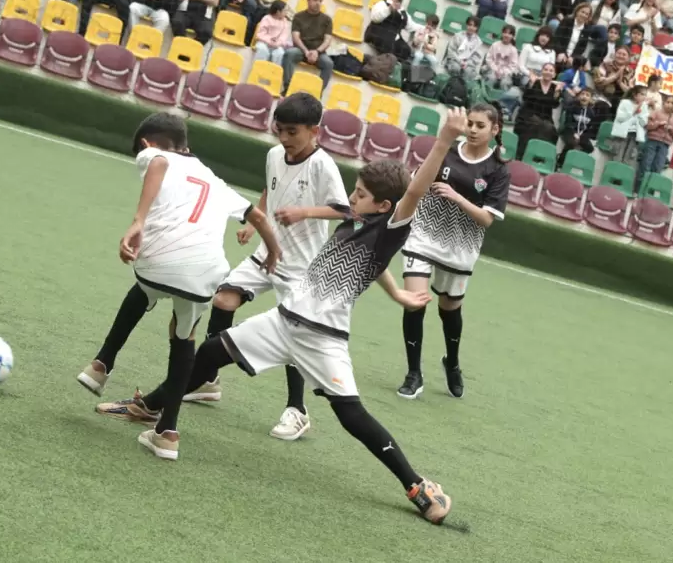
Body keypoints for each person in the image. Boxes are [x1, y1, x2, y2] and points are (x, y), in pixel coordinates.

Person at [97, 109, 471, 528]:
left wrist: (444, 139)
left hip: (322, 337)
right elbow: (372, 263)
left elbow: (415, 192)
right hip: (283, 321)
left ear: (385, 206)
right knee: (210, 353)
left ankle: (417, 486)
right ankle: (150, 406)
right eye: (355, 190)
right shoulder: (357, 220)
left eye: (361, 194)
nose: (353, 197)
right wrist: (396, 291)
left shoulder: (391, 226)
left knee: (351, 415)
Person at [77, 112, 282, 409]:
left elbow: (158, 162)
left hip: (158, 262)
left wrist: (138, 220)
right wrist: (273, 251)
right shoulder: (214, 180)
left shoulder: (154, 154)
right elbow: (259, 217)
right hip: (207, 273)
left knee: (144, 289)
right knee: (184, 337)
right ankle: (167, 427)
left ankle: (102, 363)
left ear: (146, 144)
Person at [182, 93, 350, 441]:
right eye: (279, 130)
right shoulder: (274, 154)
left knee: (294, 334)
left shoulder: (323, 165)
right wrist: (254, 223)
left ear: (314, 131)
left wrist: (304, 212)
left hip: (303, 268)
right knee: (224, 300)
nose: (284, 138)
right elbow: (270, 188)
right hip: (267, 254)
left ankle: (297, 411)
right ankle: (208, 380)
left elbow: (344, 210)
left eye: (292, 132)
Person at [397, 104, 510, 399]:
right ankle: (413, 373)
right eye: (469, 123)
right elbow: (417, 181)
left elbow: (486, 219)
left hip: (461, 246)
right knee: (414, 302)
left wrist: (456, 197)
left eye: (480, 125)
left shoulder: (498, 169)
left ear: (495, 130)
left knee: (449, 309)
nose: (472, 129)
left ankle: (453, 363)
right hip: (423, 234)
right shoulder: (446, 150)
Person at [282, 0, 334, 91]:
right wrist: (306, 51)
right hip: (301, 50)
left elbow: (327, 40)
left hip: (318, 52)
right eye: (315, 0)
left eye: (320, 1)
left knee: (329, 63)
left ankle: (317, 93)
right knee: (289, 54)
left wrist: (317, 52)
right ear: (308, 0)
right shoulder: (298, 16)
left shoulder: (327, 20)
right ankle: (288, 89)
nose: (318, 3)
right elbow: (295, 37)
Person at [514, 63, 562, 159]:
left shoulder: (555, 87)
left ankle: (540, 158)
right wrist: (531, 84)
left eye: (551, 70)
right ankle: (521, 156)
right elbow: (525, 98)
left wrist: (557, 93)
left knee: (550, 130)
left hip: (545, 117)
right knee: (534, 126)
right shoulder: (534, 82)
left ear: (554, 74)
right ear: (542, 71)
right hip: (528, 114)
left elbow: (554, 105)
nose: (548, 72)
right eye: (545, 69)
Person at [635, 95, 673, 194]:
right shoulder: (656, 112)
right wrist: (658, 124)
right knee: (645, 165)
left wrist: (672, 129)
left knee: (658, 168)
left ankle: (649, 192)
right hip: (652, 142)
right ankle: (637, 191)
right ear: (664, 103)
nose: (670, 105)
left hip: (664, 145)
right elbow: (647, 125)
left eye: (672, 103)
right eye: (668, 102)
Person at [610, 85, 649, 168]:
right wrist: (633, 111)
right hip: (622, 135)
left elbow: (643, 123)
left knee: (628, 159)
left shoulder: (644, 106)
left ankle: (622, 175)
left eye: (645, 95)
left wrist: (640, 115)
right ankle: (612, 173)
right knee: (617, 156)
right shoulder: (625, 103)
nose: (644, 97)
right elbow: (620, 118)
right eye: (642, 94)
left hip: (634, 136)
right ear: (635, 94)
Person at [557, 87, 596, 170]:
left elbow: (589, 128)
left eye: (587, 95)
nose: (584, 97)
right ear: (579, 96)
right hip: (569, 130)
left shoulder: (591, 113)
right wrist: (574, 133)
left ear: (590, 99)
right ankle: (559, 163)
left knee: (590, 148)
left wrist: (582, 135)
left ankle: (574, 160)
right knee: (572, 142)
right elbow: (568, 122)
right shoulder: (572, 107)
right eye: (582, 94)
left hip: (581, 134)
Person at [552, 2, 593, 69]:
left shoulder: (587, 29)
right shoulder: (566, 21)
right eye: (582, 12)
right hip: (560, 52)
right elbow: (557, 38)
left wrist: (572, 57)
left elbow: (582, 48)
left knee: (586, 64)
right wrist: (562, 53)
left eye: (587, 14)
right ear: (577, 11)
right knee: (561, 60)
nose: (584, 15)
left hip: (573, 56)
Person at [442, 15, 483, 82]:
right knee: (456, 68)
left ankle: (462, 87)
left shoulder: (478, 41)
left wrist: (467, 63)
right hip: (455, 60)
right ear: (466, 25)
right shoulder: (458, 36)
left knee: (468, 71)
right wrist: (459, 61)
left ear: (477, 28)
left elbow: (476, 57)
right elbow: (451, 50)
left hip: (468, 64)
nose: (471, 27)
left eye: (474, 26)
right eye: (470, 25)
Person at [253, 0, 293, 66]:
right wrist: (270, 40)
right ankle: (258, 68)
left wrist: (278, 42)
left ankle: (273, 71)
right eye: (285, 11)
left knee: (280, 53)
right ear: (278, 12)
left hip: (277, 44)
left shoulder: (285, 22)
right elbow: (260, 34)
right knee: (263, 50)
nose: (286, 13)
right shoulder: (267, 18)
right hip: (264, 42)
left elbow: (284, 35)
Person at [483, 24, 521, 90]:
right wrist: (495, 69)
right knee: (491, 78)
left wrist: (503, 72)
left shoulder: (513, 50)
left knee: (505, 82)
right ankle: (487, 93)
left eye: (509, 34)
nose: (507, 35)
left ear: (513, 36)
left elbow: (513, 66)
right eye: (505, 32)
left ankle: (501, 96)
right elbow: (489, 59)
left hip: (506, 73)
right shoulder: (495, 45)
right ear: (502, 33)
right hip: (492, 70)